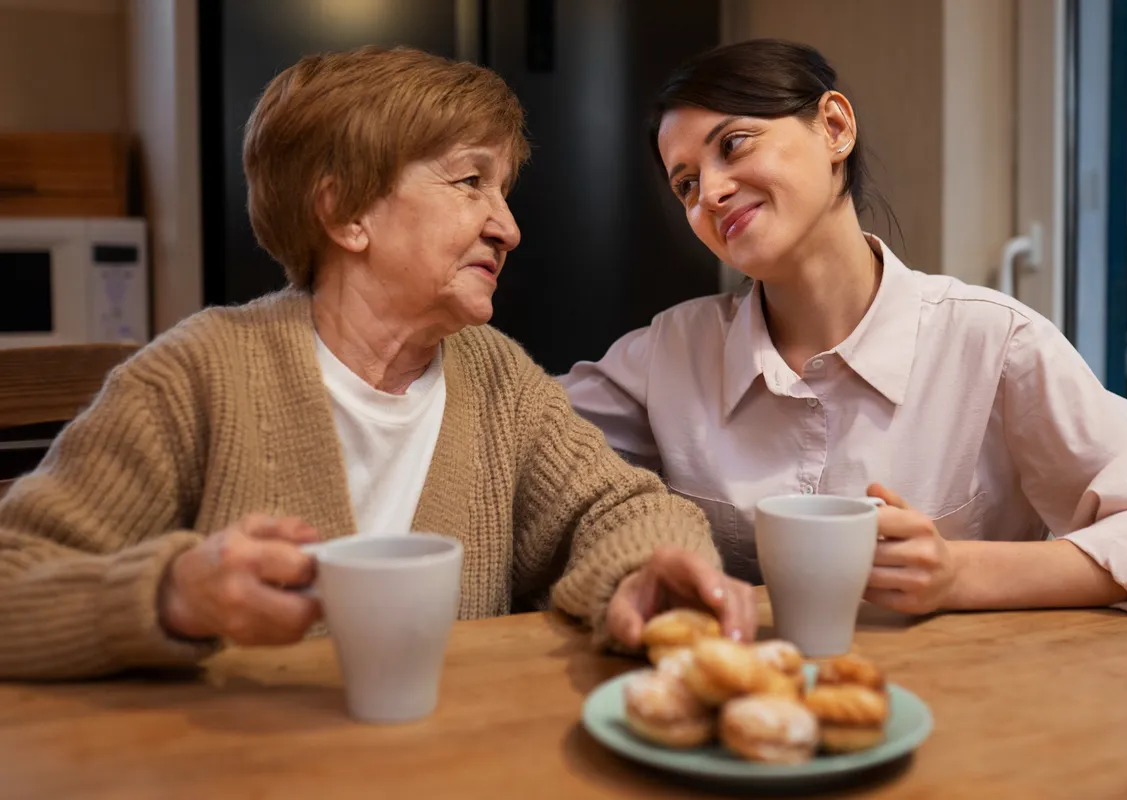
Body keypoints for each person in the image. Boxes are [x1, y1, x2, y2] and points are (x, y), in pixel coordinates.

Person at [0, 46, 757, 680]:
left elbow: (619, 508)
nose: (509, 228)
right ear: (345, 215)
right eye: (470, 183)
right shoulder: (199, 375)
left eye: (504, 191)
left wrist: (648, 568)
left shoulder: (494, 378)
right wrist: (169, 594)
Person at [562, 39, 1127, 618]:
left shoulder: (993, 342)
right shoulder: (670, 352)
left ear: (834, 127)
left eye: (733, 145)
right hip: (748, 711)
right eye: (687, 185)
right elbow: (517, 431)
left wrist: (961, 575)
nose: (713, 194)